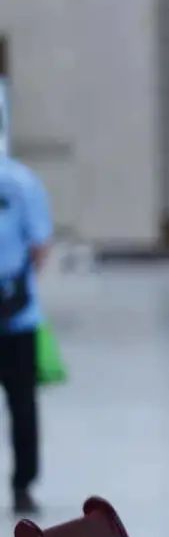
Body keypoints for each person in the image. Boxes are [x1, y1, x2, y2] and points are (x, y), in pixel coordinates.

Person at [0, 101, 53, 515]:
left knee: (22, 404)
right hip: (17, 310)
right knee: (22, 404)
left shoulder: (19, 182)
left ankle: (23, 483)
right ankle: (23, 486)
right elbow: (40, 247)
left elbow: (39, 245)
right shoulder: (22, 181)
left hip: (16, 316)